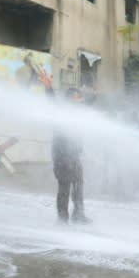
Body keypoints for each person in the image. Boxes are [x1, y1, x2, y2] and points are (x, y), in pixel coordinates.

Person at [51, 88, 91, 224]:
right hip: (62, 156)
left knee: (78, 184)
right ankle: (62, 218)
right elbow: (50, 102)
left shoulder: (77, 113)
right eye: (77, 97)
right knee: (64, 186)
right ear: (69, 99)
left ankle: (78, 214)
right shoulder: (60, 111)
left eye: (80, 97)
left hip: (74, 155)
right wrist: (49, 88)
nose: (80, 100)